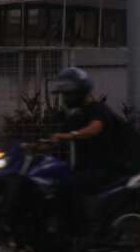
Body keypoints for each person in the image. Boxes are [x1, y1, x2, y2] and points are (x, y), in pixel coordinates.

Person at [50, 67, 121, 233]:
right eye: (64, 94)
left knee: (68, 185)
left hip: (102, 169)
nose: (66, 98)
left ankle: (80, 231)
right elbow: (57, 135)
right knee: (49, 182)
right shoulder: (75, 115)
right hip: (83, 168)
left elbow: (95, 128)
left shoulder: (98, 110)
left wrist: (70, 135)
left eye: (70, 94)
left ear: (81, 92)